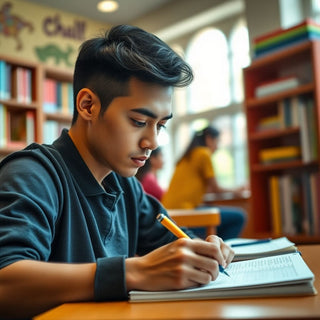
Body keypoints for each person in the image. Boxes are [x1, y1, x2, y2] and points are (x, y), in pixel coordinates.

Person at [0, 25, 234, 319]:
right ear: (88, 106)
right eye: (138, 121)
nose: (152, 142)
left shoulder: (126, 186)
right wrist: (131, 273)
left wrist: (202, 252)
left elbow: (176, 244)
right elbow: (5, 282)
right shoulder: (33, 174)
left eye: (160, 125)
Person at [162, 126, 247, 240]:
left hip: (169, 214)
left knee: (216, 214)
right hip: (185, 214)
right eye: (217, 142)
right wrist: (237, 190)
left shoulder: (188, 155)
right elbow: (216, 188)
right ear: (209, 139)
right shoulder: (203, 154)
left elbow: (206, 188)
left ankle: (212, 250)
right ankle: (220, 253)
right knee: (239, 217)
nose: (217, 147)